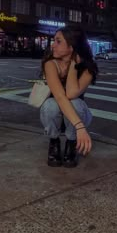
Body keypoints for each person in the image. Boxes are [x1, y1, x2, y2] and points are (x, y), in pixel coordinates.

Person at [40, 25, 98, 168]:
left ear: (71, 46)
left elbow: (71, 93)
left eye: (58, 41)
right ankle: (54, 142)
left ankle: (71, 144)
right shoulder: (50, 64)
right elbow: (60, 96)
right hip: (56, 116)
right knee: (50, 104)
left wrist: (73, 64)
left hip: (77, 114)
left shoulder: (88, 68)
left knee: (76, 102)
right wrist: (80, 127)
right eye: (54, 41)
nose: (53, 45)